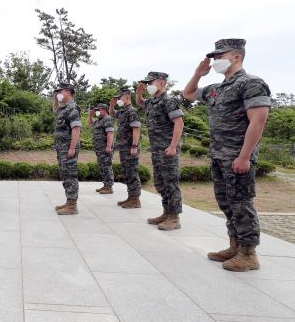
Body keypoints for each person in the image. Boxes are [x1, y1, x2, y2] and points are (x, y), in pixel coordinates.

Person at [183, 38, 271, 271]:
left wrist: (244, 156)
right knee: (226, 203)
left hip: (238, 156)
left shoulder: (252, 83)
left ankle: (249, 253)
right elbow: (188, 93)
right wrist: (198, 74)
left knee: (241, 203)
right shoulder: (217, 88)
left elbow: (258, 120)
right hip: (219, 155)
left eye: (219, 56)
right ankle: (235, 245)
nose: (215, 61)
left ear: (237, 57)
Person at [136, 72, 185, 230]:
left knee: (171, 183)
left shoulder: (168, 101)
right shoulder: (152, 102)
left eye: (152, 82)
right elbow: (140, 103)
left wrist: (172, 146)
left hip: (167, 150)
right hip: (156, 150)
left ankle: (174, 218)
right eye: (147, 82)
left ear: (163, 83)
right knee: (160, 183)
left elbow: (179, 123)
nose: (149, 85)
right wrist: (139, 92)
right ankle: (166, 213)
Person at [52, 82, 82, 215]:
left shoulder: (73, 108)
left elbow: (76, 129)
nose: (58, 94)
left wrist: (72, 148)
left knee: (70, 175)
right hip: (61, 148)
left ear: (68, 92)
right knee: (65, 175)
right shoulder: (63, 108)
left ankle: (72, 205)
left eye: (60, 92)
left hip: (68, 148)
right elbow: (54, 108)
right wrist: (55, 97)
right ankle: (69, 201)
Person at [109, 88, 142, 208]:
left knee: (132, 172)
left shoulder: (132, 111)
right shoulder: (123, 111)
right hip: (124, 148)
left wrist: (134, 146)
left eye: (119, 98)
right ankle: (131, 197)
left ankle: (135, 199)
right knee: (127, 172)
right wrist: (111, 105)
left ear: (127, 97)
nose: (118, 100)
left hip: (130, 147)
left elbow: (136, 129)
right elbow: (112, 114)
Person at [88, 104, 114, 194]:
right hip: (99, 148)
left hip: (105, 148)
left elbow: (110, 133)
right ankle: (105, 185)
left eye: (99, 109)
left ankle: (109, 187)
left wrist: (108, 146)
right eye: (97, 109)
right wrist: (91, 115)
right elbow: (90, 123)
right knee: (102, 166)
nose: (97, 111)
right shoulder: (99, 120)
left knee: (107, 166)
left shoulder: (107, 119)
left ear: (105, 110)